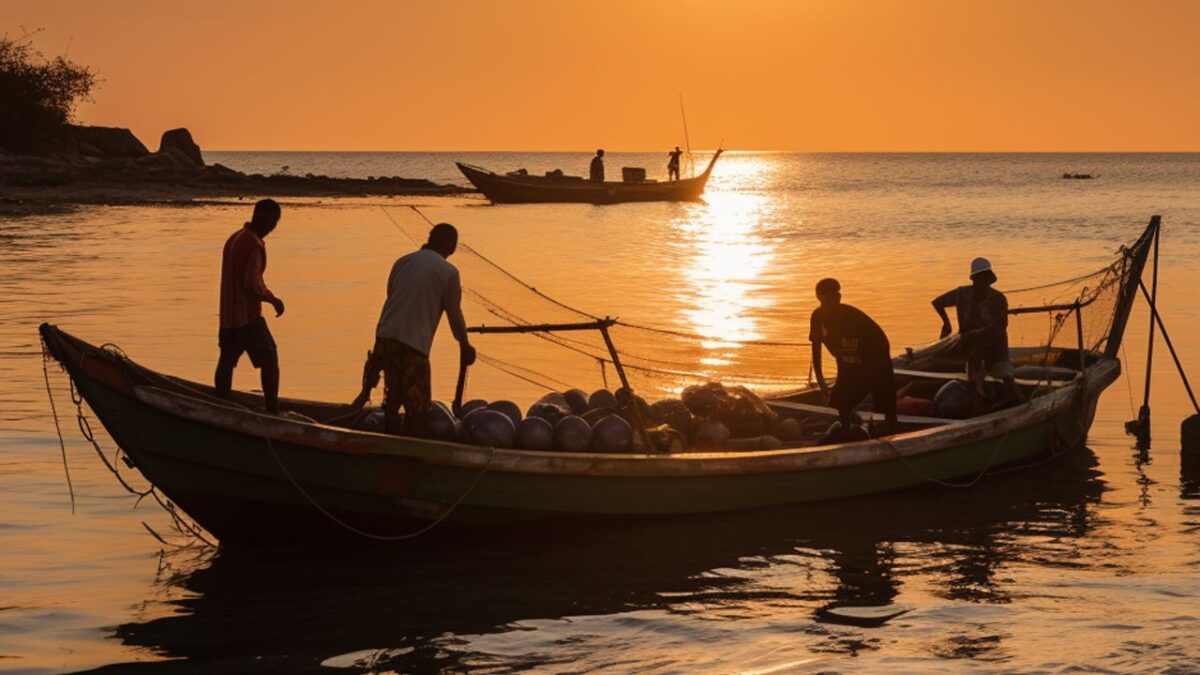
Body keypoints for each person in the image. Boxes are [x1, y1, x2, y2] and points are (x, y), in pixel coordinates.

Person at [359, 223, 476, 436]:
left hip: (385, 338)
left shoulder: (403, 261)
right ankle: (409, 451)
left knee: (392, 399)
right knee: (419, 409)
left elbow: (391, 294)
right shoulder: (448, 272)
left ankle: (389, 439)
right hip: (412, 345)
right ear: (451, 246)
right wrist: (465, 344)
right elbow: (454, 313)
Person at [215, 199, 286, 413]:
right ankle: (272, 410)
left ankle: (220, 402)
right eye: (273, 222)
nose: (273, 227)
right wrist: (274, 300)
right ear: (268, 221)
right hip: (247, 318)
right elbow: (252, 284)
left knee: (227, 359)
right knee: (270, 360)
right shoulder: (253, 244)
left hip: (227, 317)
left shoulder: (234, 238)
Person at [810, 278, 898, 438]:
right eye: (830, 297)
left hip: (875, 354)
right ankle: (846, 431)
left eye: (838, 296)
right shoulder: (817, 317)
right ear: (820, 298)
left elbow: (852, 360)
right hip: (849, 359)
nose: (836, 300)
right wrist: (822, 385)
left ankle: (888, 432)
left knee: (884, 401)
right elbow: (817, 352)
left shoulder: (849, 319)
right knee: (836, 403)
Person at [932, 257, 1021, 406]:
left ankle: (1015, 400)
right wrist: (946, 324)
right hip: (971, 352)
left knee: (1007, 378)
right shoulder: (962, 294)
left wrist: (981, 335)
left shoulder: (998, 299)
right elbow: (937, 302)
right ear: (974, 279)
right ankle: (981, 399)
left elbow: (1000, 328)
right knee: (974, 383)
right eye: (979, 277)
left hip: (995, 351)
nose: (981, 281)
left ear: (989, 279)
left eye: (984, 277)